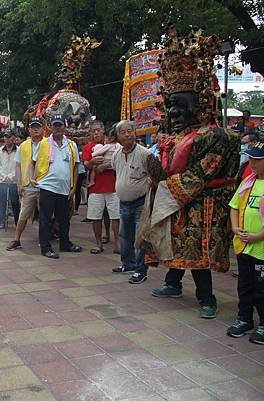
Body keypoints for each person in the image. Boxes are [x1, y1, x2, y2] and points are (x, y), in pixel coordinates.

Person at [145, 27, 240, 319]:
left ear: (199, 105)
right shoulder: (174, 138)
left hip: (203, 205)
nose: (172, 113)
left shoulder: (215, 137)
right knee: (175, 244)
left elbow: (197, 176)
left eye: (179, 106)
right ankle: (173, 283)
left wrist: (163, 184)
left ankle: (206, 298)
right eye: (169, 105)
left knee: (197, 251)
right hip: (177, 200)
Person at [29, 114, 81, 258]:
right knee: (45, 218)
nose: (57, 128)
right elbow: (32, 162)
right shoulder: (43, 144)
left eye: (60, 125)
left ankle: (65, 243)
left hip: (64, 189)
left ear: (65, 127)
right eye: (55, 125)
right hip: (47, 187)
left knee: (64, 218)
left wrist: (74, 187)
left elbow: (76, 167)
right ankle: (45, 247)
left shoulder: (71, 145)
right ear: (50, 127)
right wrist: (31, 178)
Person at [228, 140, 264, 344]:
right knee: (245, 285)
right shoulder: (248, 182)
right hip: (244, 245)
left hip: (261, 247)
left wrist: (257, 236)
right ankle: (244, 319)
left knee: (262, 288)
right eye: (251, 159)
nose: (252, 163)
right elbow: (235, 206)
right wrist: (235, 228)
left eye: (257, 160)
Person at [111, 121, 151, 283]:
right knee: (125, 235)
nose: (127, 135)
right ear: (118, 136)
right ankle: (127, 264)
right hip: (123, 202)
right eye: (123, 132)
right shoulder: (116, 154)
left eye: (130, 131)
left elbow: (154, 175)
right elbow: (116, 172)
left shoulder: (145, 154)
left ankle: (141, 270)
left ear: (135, 133)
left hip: (141, 202)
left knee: (140, 237)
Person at [83, 120, 120, 254]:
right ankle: (98, 244)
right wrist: (92, 162)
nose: (96, 132)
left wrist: (105, 166)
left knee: (115, 215)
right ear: (90, 133)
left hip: (113, 185)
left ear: (103, 130)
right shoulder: (88, 147)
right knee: (95, 216)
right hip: (95, 188)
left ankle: (117, 243)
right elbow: (86, 164)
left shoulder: (113, 144)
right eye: (93, 131)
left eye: (98, 129)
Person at [6, 117, 43, 250]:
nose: (36, 129)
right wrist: (19, 184)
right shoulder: (23, 146)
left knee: (44, 215)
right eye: (33, 127)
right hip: (28, 186)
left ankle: (43, 239)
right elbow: (18, 165)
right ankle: (16, 240)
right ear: (29, 129)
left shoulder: (47, 144)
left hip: (44, 185)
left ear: (43, 128)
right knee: (23, 214)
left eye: (38, 126)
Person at [0, 130, 20, 229]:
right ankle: (2, 222)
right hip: (2, 180)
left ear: (14, 138)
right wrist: (5, 176)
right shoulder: (0, 151)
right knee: (1, 202)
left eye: (9, 137)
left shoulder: (19, 150)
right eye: (5, 137)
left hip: (14, 180)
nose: (7, 139)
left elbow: (19, 165)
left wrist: (11, 176)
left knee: (15, 202)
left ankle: (18, 222)